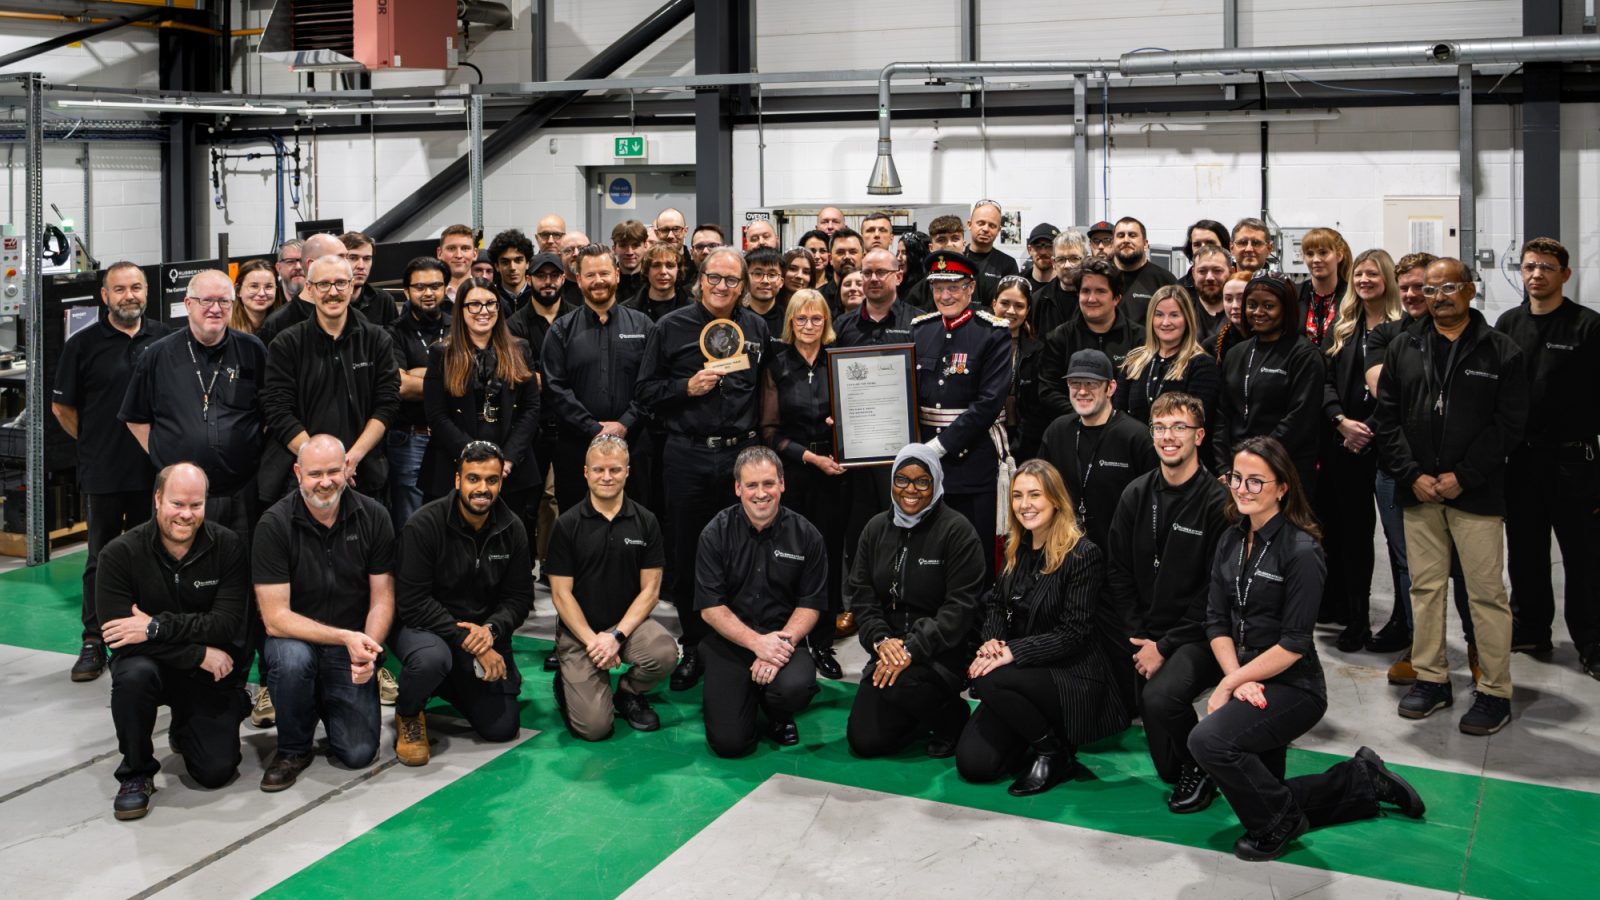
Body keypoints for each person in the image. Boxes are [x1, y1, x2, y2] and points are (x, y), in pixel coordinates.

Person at [1188, 435, 1425, 862]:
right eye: (1236, 478)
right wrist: (1236, 678)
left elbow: (1294, 645)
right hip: (1248, 678)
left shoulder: (1301, 550)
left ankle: (1280, 824)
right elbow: (1216, 620)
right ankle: (1360, 779)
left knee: (1208, 741)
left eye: (1256, 481)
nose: (1242, 489)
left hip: (1293, 687)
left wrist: (1229, 685)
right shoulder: (1229, 540)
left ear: (1282, 487)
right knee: (1262, 790)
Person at [1372, 257, 1527, 735]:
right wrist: (1412, 474)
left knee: (1486, 595)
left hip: (1475, 495)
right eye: (1429, 289)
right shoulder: (1404, 347)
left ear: (1469, 291)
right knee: (1425, 589)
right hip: (1419, 492)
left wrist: (1464, 475)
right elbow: (1387, 419)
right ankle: (1432, 679)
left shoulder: (1501, 351)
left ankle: (1494, 691)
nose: (1438, 297)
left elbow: (1509, 426)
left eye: (1447, 288)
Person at [636, 247, 771, 691]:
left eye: (731, 280)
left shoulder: (756, 329)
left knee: (743, 550)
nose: (721, 286)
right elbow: (646, 392)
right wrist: (685, 388)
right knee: (688, 552)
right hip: (688, 454)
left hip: (741, 455)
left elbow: (766, 390)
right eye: (714, 277)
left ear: (743, 285)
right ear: (700, 279)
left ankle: (738, 641)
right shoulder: (670, 327)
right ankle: (693, 645)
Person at [956, 459, 1130, 796]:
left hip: (1070, 674)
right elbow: (996, 604)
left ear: (1055, 500)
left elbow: (1074, 633)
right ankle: (1036, 731)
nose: (1025, 504)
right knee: (975, 764)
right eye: (1018, 495)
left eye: (1035, 494)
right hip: (1020, 674)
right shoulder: (1017, 547)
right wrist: (991, 642)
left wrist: (1011, 652)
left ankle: (1053, 751)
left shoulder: (1083, 554)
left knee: (987, 679)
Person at [97, 463, 250, 820]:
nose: (186, 514)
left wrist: (154, 627)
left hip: (205, 672)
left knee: (216, 771)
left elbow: (225, 625)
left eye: (196, 505)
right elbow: (118, 637)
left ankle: (193, 721)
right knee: (133, 676)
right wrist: (196, 653)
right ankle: (136, 772)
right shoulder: (119, 554)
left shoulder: (227, 546)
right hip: (158, 663)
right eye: (177, 504)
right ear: (157, 500)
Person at [1105, 392, 1231, 811]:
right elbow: (1118, 571)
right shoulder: (1136, 494)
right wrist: (1139, 636)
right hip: (1146, 634)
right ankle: (1192, 761)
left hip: (1199, 635)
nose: (1167, 437)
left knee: (1160, 699)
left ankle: (1205, 763)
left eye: (1179, 427)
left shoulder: (1218, 503)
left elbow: (1215, 592)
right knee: (1167, 770)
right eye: (1159, 427)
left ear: (1200, 435)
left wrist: (1164, 646)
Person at [253, 435, 393, 791]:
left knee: (358, 753)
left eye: (333, 471)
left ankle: (323, 698)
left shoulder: (374, 516)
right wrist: (345, 637)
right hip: (294, 640)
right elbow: (275, 618)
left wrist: (368, 650)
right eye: (315, 473)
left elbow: (382, 598)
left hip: (349, 646)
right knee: (292, 661)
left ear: (347, 469)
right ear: (298, 473)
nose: (325, 481)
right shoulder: (274, 524)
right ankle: (292, 749)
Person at [54, 261, 170, 681]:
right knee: (101, 557)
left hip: (154, 471)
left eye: (136, 287)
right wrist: (93, 443)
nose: (129, 296)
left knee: (152, 555)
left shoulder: (166, 339)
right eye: (119, 289)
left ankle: (145, 634)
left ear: (146, 291)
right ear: (104, 296)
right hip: (103, 470)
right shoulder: (82, 345)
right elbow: (62, 408)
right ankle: (93, 640)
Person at [1496, 237, 1600, 677]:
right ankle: (1531, 629)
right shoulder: (1508, 323)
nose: (1536, 274)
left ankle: (1592, 642)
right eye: (1529, 266)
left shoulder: (1587, 326)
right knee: (1525, 552)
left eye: (1546, 267)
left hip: (1574, 462)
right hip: (1522, 462)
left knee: (1584, 557)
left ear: (1565, 274)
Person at [393, 441, 533, 765]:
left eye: (491, 480)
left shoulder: (512, 528)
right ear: (458, 480)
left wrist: (492, 630)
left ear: (501, 482)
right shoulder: (424, 524)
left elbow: (519, 597)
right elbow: (413, 602)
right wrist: (471, 641)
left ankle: (447, 682)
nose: (482, 488)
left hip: (481, 632)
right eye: (473, 478)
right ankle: (409, 713)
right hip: (427, 630)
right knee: (431, 661)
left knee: (502, 728)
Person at [846, 446, 985, 758]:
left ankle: (952, 717)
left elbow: (959, 609)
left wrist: (911, 649)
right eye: (902, 480)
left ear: (936, 482)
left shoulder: (958, 531)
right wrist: (881, 640)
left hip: (941, 652)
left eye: (922, 481)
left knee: (902, 687)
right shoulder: (875, 529)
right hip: (889, 649)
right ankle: (920, 715)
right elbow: (862, 595)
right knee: (864, 740)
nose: (910, 490)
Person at [695, 447, 827, 757]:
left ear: (782, 483)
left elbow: (810, 605)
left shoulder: (808, 536)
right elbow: (711, 609)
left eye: (768, 483)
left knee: (794, 688)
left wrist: (777, 649)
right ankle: (745, 696)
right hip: (731, 641)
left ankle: (777, 712)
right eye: (751, 485)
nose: (761, 494)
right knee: (730, 744)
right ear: (737, 488)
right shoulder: (715, 533)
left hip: (784, 639)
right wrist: (757, 644)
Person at [545, 435, 678, 739]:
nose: (607, 477)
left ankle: (629, 692)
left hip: (627, 628)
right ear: (586, 472)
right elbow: (561, 595)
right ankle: (566, 682)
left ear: (627, 472)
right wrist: (595, 641)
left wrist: (616, 637)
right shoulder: (567, 524)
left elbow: (651, 591)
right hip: (581, 633)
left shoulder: (646, 521)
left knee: (664, 653)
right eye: (599, 470)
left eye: (615, 470)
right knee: (595, 728)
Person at [121, 269, 265, 539]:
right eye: (206, 300)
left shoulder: (253, 350)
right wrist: (163, 456)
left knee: (240, 561)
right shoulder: (158, 355)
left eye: (224, 301)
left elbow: (267, 413)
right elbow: (135, 417)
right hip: (180, 497)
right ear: (188, 304)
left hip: (241, 491)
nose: (215, 309)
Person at [261, 253, 400, 504]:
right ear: (310, 288)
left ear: (351, 285)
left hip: (362, 472)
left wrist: (351, 459)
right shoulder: (286, 344)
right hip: (301, 476)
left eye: (340, 283)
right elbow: (277, 410)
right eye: (323, 284)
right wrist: (320, 464)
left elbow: (387, 405)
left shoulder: (377, 340)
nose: (333, 292)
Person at [1316, 249, 1403, 651]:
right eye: (1360, 274)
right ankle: (1357, 618)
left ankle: (1403, 620)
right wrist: (1340, 421)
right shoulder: (1343, 326)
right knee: (1352, 537)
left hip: (1387, 448)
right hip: (1345, 445)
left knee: (1398, 540)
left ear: (1387, 279)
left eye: (1373, 274)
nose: (1365, 280)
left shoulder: (1403, 328)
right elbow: (1324, 380)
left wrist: (1369, 428)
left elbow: (1403, 393)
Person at [760, 289, 848, 680]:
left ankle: (823, 641)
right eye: (801, 318)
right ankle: (788, 639)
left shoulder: (838, 360)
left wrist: (842, 428)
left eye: (816, 318)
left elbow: (857, 412)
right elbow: (769, 431)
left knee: (828, 555)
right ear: (790, 322)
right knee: (789, 555)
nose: (809, 325)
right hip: (793, 473)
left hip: (836, 472)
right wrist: (811, 458)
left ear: (826, 322)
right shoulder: (777, 363)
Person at [911, 248, 1013, 570]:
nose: (945, 295)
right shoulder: (920, 330)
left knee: (975, 555)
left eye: (953, 287)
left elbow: (988, 404)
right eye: (938, 287)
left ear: (970, 288)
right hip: (927, 464)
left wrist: (939, 446)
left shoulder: (993, 332)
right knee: (931, 556)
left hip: (973, 462)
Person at [420, 279, 541, 529]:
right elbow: (437, 415)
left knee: (511, 539)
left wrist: (507, 459)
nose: (483, 311)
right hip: (454, 465)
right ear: (461, 309)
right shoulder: (441, 353)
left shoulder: (520, 349)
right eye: (474, 304)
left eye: (490, 303)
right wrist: (473, 460)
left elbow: (531, 409)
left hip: (511, 468)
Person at [542, 245, 653, 511]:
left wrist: (625, 424)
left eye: (604, 273)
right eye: (590, 275)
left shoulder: (643, 326)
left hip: (634, 446)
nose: (598, 281)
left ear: (617, 275)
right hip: (576, 449)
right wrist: (593, 428)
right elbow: (555, 388)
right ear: (579, 280)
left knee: (635, 521)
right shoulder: (560, 331)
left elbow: (652, 383)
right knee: (577, 522)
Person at [1039, 349, 1158, 552]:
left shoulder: (1136, 437)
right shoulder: (1057, 431)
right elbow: (1042, 490)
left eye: (1091, 383)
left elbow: (1151, 505)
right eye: (1075, 383)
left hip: (1119, 555)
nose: (1082, 391)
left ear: (1110, 388)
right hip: (1066, 554)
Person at [1214, 274, 1323, 492]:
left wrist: (1257, 459)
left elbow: (1300, 419)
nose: (1258, 312)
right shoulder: (1235, 354)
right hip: (1238, 469)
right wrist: (1223, 465)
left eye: (1268, 306)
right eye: (1252, 305)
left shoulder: (1304, 355)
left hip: (1284, 468)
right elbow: (1222, 415)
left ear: (1286, 309)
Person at [386, 257, 452, 529]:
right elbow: (401, 386)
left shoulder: (459, 326)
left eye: (435, 286)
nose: (428, 293)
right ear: (406, 291)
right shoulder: (393, 332)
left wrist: (418, 373)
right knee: (411, 522)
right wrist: (448, 378)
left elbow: (471, 378)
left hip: (452, 436)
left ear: (445, 288)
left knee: (450, 516)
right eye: (420, 287)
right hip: (411, 438)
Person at [1037, 258, 1141, 422]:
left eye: (1100, 291)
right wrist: (1085, 416)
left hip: (1123, 428)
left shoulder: (1139, 338)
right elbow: (1048, 391)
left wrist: (1113, 421)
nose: (1091, 299)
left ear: (1116, 298)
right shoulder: (1059, 338)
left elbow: (1139, 393)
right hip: (1073, 426)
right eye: (1085, 291)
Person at [1117, 285, 1222, 428]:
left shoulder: (1202, 365)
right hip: (1134, 442)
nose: (1165, 322)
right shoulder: (1134, 361)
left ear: (1187, 319)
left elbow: (1197, 422)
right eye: (1159, 315)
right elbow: (1119, 417)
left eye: (1174, 315)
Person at [257, 233, 353, 347]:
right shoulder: (277, 324)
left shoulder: (355, 317)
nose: (348, 265)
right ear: (312, 264)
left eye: (347, 258)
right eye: (339, 258)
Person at [991, 276, 1047, 462]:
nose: (1011, 311)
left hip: (1025, 441)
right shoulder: (977, 344)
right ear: (994, 304)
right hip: (984, 437)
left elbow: (1036, 409)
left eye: (1019, 306)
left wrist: (1017, 447)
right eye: (1004, 303)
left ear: (1028, 310)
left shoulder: (1038, 350)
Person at [1109, 216, 1180, 324]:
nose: (1126, 240)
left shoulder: (1164, 280)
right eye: (1121, 235)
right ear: (1113, 243)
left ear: (1145, 244)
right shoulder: (1101, 277)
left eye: (1132, 235)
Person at [1298, 227, 1351, 345]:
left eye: (1323, 253)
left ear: (1339, 255)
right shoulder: (1295, 294)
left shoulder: (1352, 296)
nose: (1316, 260)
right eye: (1310, 254)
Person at [1031, 229, 1087, 338]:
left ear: (1085, 260)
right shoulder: (1038, 300)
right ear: (1053, 263)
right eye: (1061, 259)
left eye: (1074, 258)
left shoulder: (1096, 298)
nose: (1067, 266)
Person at [341, 230, 400, 327]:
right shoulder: (328, 302)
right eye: (353, 258)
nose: (361, 266)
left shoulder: (383, 300)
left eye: (367, 258)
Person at [964, 200, 1019, 303]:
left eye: (992, 226)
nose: (985, 229)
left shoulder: (1008, 264)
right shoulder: (957, 258)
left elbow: (1011, 302)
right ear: (969, 224)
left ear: (998, 230)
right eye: (981, 223)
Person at [625, 242, 691, 322]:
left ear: (678, 271)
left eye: (670, 266)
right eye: (656, 265)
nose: (663, 272)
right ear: (646, 271)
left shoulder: (692, 310)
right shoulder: (627, 311)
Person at [1187, 244, 1234, 341]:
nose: (1209, 278)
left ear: (1231, 272)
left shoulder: (1242, 312)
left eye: (1217, 271)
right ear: (1193, 273)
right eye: (1202, 271)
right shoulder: (1182, 310)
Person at [1177, 218, 1230, 301]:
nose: (1203, 248)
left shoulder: (1241, 283)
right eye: (1197, 244)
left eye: (1210, 243)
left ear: (1224, 246)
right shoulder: (1180, 290)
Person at [742, 246, 787, 339]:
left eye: (772, 275)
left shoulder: (789, 321)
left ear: (781, 282)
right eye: (758, 274)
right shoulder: (734, 319)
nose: (765, 281)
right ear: (745, 279)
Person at [1208, 271, 1252, 364]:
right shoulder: (1211, 346)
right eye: (1228, 299)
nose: (1234, 306)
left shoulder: (1269, 341)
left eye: (1242, 298)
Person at [489, 227, 537, 313]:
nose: (512, 267)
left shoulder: (538, 297)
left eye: (518, 260)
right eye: (505, 262)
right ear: (497, 266)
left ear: (527, 263)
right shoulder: (490, 298)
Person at [229, 259, 283, 334]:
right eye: (254, 286)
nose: (262, 293)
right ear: (238, 291)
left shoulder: (285, 325)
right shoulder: (225, 329)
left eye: (268, 286)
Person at [436, 224, 477, 303]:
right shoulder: (428, 296)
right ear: (439, 253)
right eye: (451, 248)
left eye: (465, 248)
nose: (458, 255)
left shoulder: (489, 294)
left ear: (474, 254)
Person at [611, 219, 648, 299]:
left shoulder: (654, 281)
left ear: (645, 246)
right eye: (623, 246)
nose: (629, 252)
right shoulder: (608, 282)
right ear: (614, 249)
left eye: (635, 245)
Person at [1022, 223, 1059, 292]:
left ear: (1059, 250)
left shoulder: (1067, 285)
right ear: (1029, 250)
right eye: (1038, 246)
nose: (1043, 252)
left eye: (1049, 246)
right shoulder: (1019, 285)